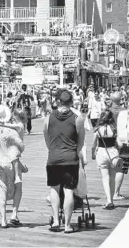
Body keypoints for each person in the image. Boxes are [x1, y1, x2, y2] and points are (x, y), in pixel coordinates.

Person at [43, 89, 85, 233]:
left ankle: (56, 222)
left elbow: (46, 138)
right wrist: (72, 151)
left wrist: (54, 149)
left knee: (54, 189)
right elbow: (80, 143)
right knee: (68, 191)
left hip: (53, 158)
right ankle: (67, 225)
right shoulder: (77, 118)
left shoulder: (48, 118)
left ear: (57, 101)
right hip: (70, 159)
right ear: (72, 102)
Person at [0, 107, 27, 228]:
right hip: (10, 162)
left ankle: (3, 220)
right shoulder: (12, 131)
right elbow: (19, 145)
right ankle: (14, 214)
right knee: (18, 187)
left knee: (1, 191)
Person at [91, 110, 122, 210]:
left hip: (101, 153)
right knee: (112, 178)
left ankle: (108, 200)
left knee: (105, 178)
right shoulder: (114, 129)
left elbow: (93, 145)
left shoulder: (97, 130)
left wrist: (92, 155)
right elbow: (120, 145)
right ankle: (112, 200)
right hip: (113, 153)